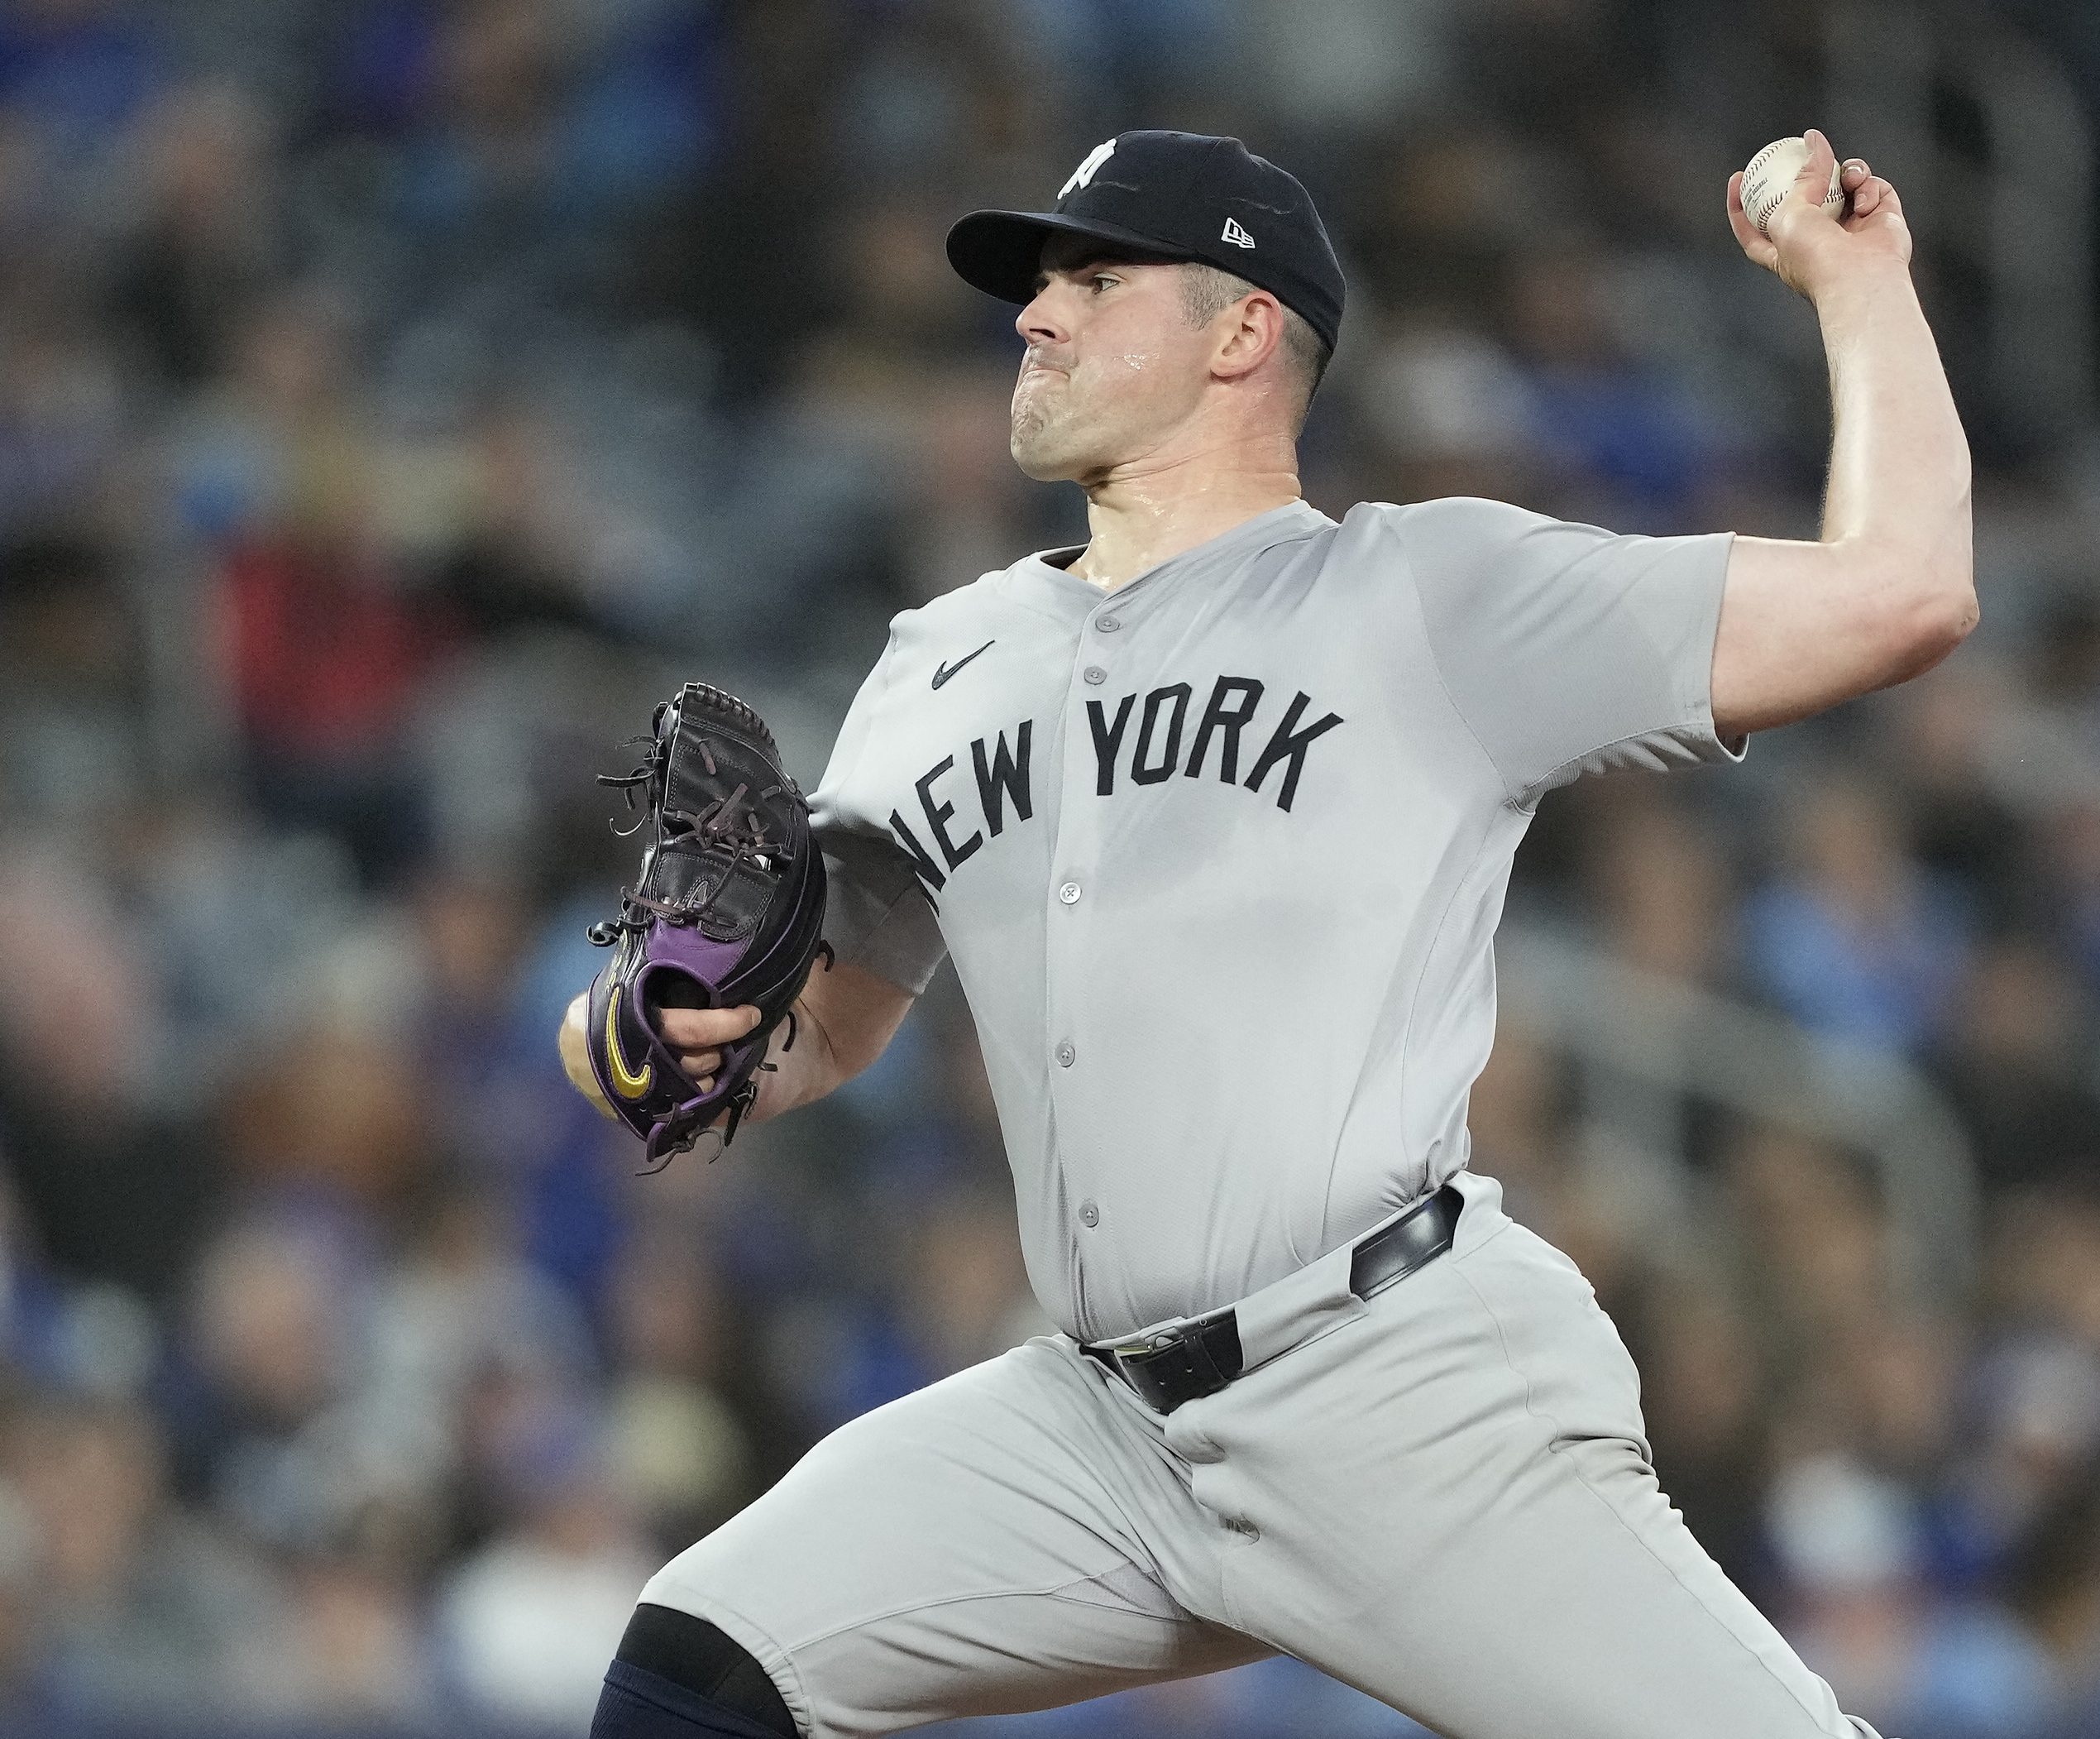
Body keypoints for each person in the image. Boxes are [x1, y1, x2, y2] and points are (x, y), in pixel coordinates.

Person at [559, 127, 1971, 1739]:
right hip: (1097, 1423)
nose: (1035, 314)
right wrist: (660, 1022)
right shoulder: (936, 664)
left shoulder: (1424, 595)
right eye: (1038, 285)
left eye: (1095, 280)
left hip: (1394, 1385)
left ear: (1241, 331)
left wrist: (1859, 284)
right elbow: (821, 1029)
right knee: (700, 1668)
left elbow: (1903, 591)